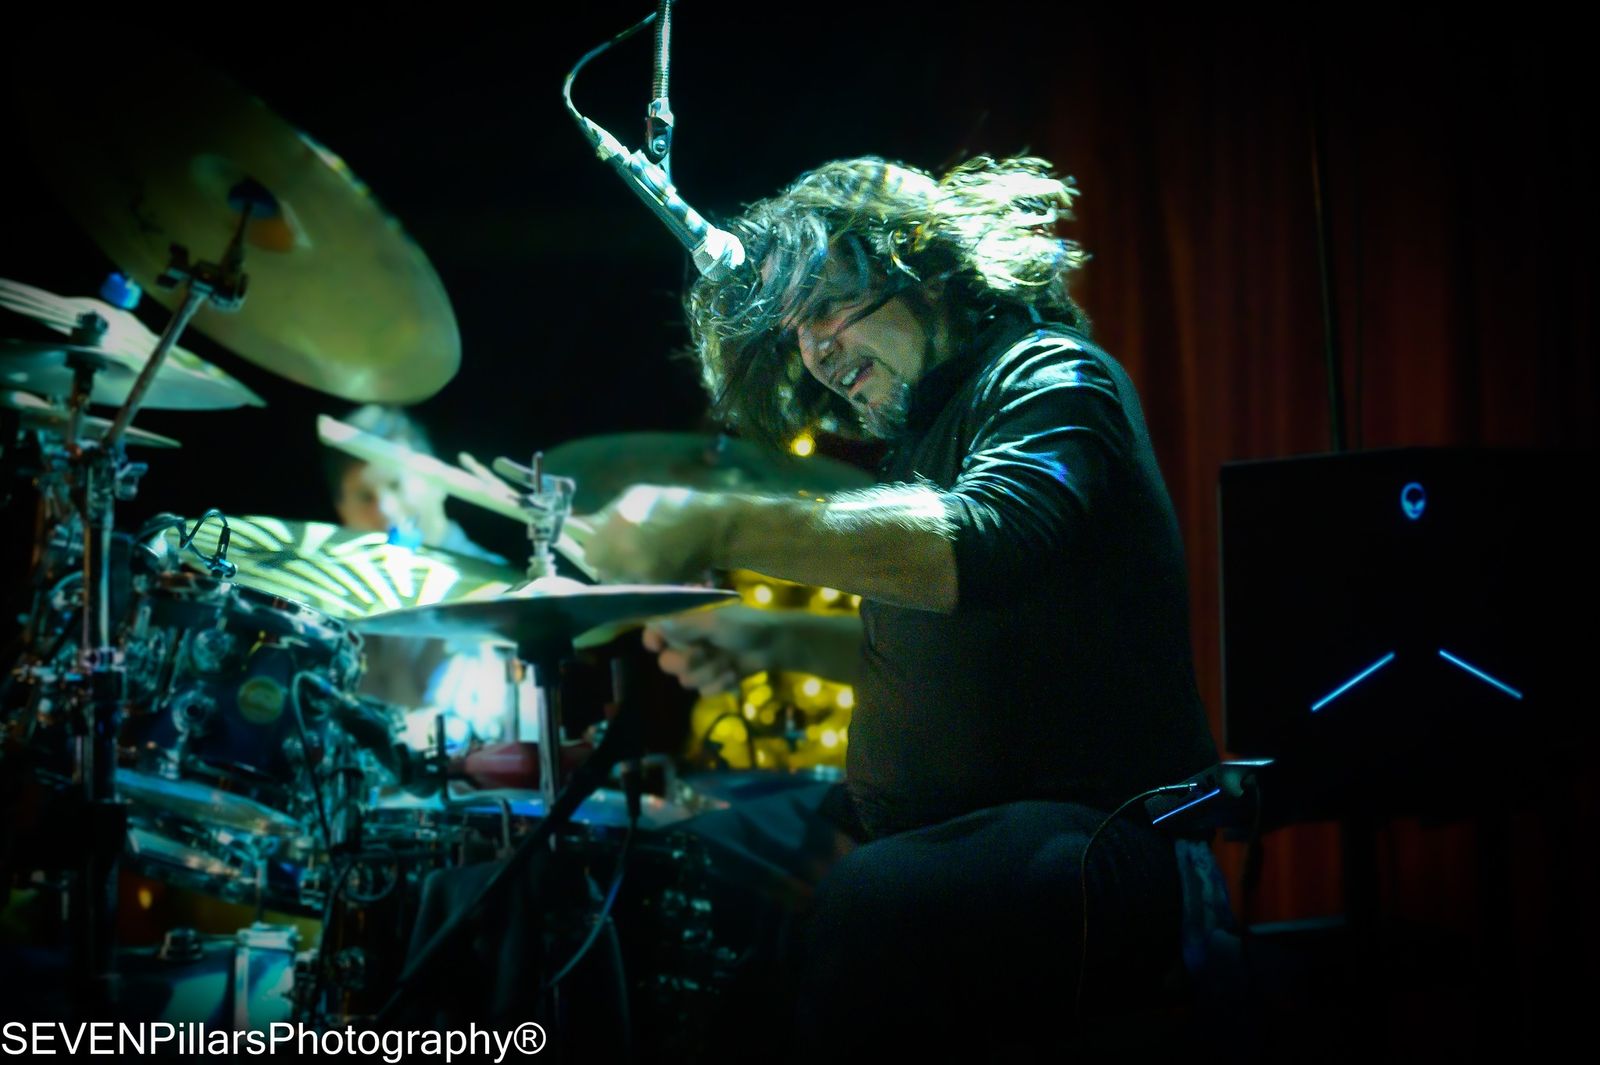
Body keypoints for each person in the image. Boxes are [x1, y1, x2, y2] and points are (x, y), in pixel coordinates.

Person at [583, 155, 1220, 1055]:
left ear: (919, 264)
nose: (815, 353)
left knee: (870, 902)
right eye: (798, 331)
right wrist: (767, 635)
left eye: (826, 308)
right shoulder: (926, 437)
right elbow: (947, 657)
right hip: (950, 835)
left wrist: (719, 521)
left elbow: (985, 539)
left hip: (1102, 837)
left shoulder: (1054, 377)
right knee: (692, 854)